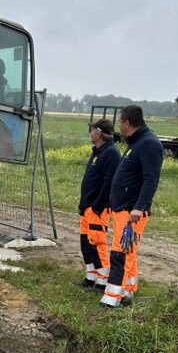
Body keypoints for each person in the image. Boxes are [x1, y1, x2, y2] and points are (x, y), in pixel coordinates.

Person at [100, 104, 163, 309]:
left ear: (127, 122)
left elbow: (151, 179)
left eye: (120, 121)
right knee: (128, 251)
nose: (119, 124)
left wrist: (140, 207)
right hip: (123, 209)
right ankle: (128, 290)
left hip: (132, 211)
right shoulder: (136, 142)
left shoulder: (148, 144)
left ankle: (112, 299)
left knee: (120, 252)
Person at [77, 118, 120, 289]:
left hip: (98, 208)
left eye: (92, 129)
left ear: (99, 133)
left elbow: (109, 183)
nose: (90, 133)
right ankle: (90, 277)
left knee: (97, 243)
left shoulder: (111, 153)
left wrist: (97, 205)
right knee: (85, 243)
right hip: (88, 206)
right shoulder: (97, 152)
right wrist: (83, 204)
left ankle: (103, 281)